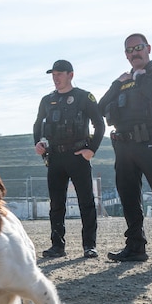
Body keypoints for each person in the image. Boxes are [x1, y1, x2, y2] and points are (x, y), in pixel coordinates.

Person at [99, 34, 152, 265]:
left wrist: (140, 78)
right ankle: (135, 247)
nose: (134, 53)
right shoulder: (123, 80)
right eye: (129, 50)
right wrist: (118, 83)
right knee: (128, 197)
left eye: (138, 48)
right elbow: (100, 107)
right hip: (124, 146)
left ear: (148, 48)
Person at [33, 60, 105, 259]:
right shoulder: (47, 100)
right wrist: (38, 143)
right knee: (56, 204)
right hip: (55, 157)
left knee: (86, 202)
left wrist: (92, 149)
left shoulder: (84, 97)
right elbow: (38, 125)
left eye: (60, 74)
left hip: (77, 156)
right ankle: (57, 246)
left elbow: (99, 124)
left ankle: (89, 245)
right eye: (53, 75)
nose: (56, 78)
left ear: (70, 75)